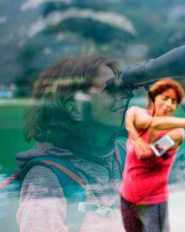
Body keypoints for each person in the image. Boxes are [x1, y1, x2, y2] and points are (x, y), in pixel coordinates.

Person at [16, 55, 129, 231]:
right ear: (74, 108)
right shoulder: (47, 181)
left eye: (121, 89)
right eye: (110, 89)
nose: (122, 96)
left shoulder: (123, 154)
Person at [119, 78, 185, 232]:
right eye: (163, 99)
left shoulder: (175, 134)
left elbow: (148, 154)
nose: (168, 105)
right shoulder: (136, 115)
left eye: (173, 101)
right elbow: (132, 118)